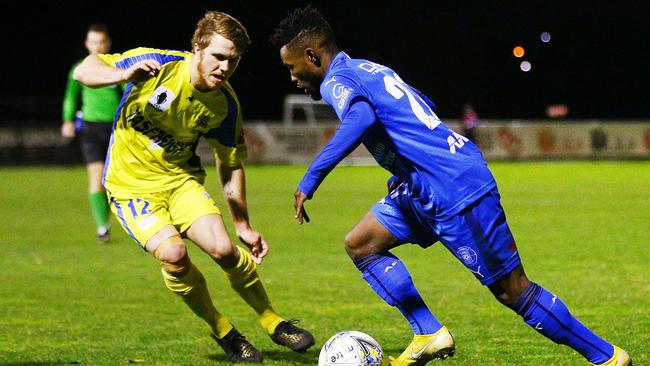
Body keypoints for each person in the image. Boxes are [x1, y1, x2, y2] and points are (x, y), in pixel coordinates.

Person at [270, 6, 631, 366]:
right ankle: (429, 333)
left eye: (291, 67)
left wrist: (310, 178)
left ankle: (608, 358)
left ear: (312, 56)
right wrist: (405, 166)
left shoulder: (336, 80)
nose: (292, 77)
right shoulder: (368, 68)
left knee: (514, 292)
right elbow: (423, 104)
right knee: (362, 244)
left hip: (455, 189)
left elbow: (361, 118)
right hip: (423, 187)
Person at [74, 11, 314, 363]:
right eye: (218, 56)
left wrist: (243, 225)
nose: (224, 67)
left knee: (224, 250)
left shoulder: (224, 104)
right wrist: (121, 73)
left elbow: (230, 163)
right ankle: (223, 331)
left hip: (179, 182)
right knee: (174, 255)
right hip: (130, 188)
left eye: (232, 61)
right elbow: (84, 70)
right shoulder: (158, 65)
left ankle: (272, 320)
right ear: (197, 48)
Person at [62, 24, 120, 243]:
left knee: (112, 182)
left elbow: (129, 95)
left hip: (116, 129)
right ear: (87, 44)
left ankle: (118, 220)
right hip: (91, 129)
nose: (97, 46)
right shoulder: (80, 68)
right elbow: (70, 96)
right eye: (93, 42)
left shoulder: (117, 67)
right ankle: (102, 227)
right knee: (96, 180)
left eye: (101, 42)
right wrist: (68, 120)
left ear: (108, 43)